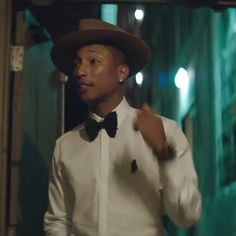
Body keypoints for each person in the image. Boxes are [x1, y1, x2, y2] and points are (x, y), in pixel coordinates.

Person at [44, 18, 201, 236]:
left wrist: (164, 154)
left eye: (93, 61)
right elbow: (57, 221)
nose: (80, 71)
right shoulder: (65, 145)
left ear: (122, 72)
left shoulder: (165, 131)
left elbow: (187, 216)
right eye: (76, 64)